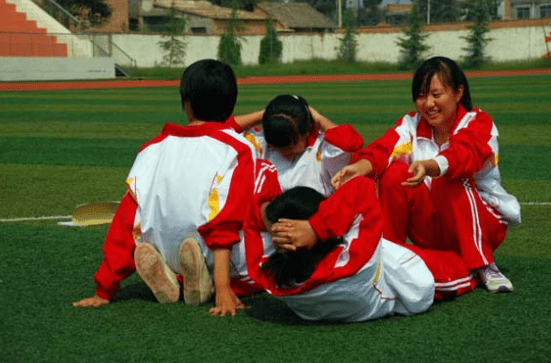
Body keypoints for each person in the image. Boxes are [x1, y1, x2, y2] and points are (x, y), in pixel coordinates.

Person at [72, 59, 261, 317]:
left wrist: (103, 290)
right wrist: (224, 288)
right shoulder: (239, 149)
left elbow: (127, 220)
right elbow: (226, 219)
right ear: (231, 104)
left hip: (166, 249)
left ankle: (176, 274)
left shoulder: (152, 148)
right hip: (218, 260)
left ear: (186, 104)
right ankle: (205, 279)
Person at [332, 56, 521, 294]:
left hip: (484, 224)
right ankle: (388, 256)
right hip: (433, 226)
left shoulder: (478, 122)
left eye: (436, 94)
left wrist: (432, 166)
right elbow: (385, 147)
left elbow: (465, 156)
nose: (428, 103)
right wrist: (360, 167)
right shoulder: (411, 124)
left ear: (459, 92)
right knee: (394, 173)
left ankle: (484, 264)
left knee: (449, 177)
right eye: (421, 96)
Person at [243, 162, 438, 322]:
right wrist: (315, 227)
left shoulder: (267, 277)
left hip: (337, 302)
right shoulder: (354, 262)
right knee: (455, 265)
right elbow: (361, 187)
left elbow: (252, 215)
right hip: (399, 276)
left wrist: (278, 226)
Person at [233, 94, 364, 196]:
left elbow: (350, 143)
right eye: (277, 146)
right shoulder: (260, 143)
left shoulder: (322, 147)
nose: (285, 152)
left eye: (291, 145)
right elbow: (220, 128)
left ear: (307, 129)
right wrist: (267, 115)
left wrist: (319, 118)